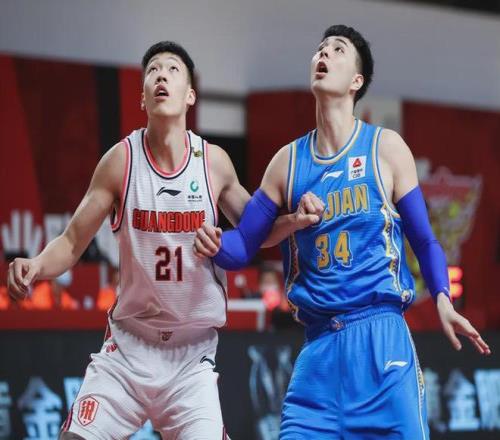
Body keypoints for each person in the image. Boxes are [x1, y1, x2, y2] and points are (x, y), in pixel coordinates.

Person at [6, 41, 315, 439]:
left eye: (172, 69)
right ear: (142, 97)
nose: (161, 76)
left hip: (191, 357)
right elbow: (70, 243)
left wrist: (294, 221)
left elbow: (256, 234)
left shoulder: (213, 163)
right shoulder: (120, 162)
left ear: (190, 95)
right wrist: (35, 265)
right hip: (128, 350)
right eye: (153, 70)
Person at [194, 25, 491, 439]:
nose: (324, 54)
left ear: (357, 81)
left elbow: (424, 240)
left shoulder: (386, 149)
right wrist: (208, 240)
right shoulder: (287, 162)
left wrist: (443, 296)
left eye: (337, 50)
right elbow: (244, 244)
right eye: (320, 49)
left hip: (381, 344)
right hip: (318, 354)